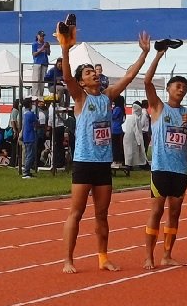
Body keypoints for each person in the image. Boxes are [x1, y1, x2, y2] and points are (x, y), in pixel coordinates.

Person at [60, 24, 151, 274]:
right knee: (76, 213)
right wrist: (65, 50)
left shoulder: (107, 96)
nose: (94, 75)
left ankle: (103, 257)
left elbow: (130, 77)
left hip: (103, 164)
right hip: (83, 162)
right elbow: (67, 77)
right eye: (88, 73)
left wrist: (144, 54)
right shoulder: (81, 98)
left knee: (102, 214)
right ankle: (68, 259)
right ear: (82, 81)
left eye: (94, 72)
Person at [143, 41, 187, 269]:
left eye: (184, 87)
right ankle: (149, 256)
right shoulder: (158, 107)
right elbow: (146, 81)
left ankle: (167, 254)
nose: (181, 90)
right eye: (177, 86)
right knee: (156, 211)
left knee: (175, 213)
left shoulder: (186, 113)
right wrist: (158, 55)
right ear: (169, 89)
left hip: (180, 170)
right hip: (161, 168)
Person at [123, 101, 147, 168]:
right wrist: (139, 141)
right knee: (133, 152)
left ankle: (128, 164)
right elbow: (137, 130)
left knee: (128, 151)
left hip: (127, 136)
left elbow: (124, 127)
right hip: (133, 138)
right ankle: (131, 165)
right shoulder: (136, 118)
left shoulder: (129, 117)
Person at [20, 97, 38, 179]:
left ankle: (27, 171)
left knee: (28, 154)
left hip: (26, 136)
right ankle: (26, 172)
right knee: (30, 155)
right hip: (30, 136)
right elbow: (36, 121)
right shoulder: (30, 114)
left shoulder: (25, 114)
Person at [31, 30, 51, 98]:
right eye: (41, 36)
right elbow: (34, 54)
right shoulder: (35, 44)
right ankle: (34, 95)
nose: (42, 38)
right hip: (37, 63)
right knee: (36, 80)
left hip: (44, 63)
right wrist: (42, 48)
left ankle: (40, 95)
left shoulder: (45, 43)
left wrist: (48, 47)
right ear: (38, 36)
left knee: (42, 80)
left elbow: (48, 53)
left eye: (43, 36)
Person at [111, 95, 126, 166]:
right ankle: (118, 159)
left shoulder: (117, 108)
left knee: (115, 146)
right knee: (117, 145)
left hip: (115, 129)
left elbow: (112, 116)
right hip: (118, 129)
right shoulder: (121, 108)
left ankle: (116, 160)